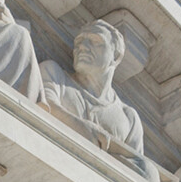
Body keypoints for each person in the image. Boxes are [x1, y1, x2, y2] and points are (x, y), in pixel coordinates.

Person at [40, 18, 144, 169]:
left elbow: (137, 170)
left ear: (115, 56)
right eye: (79, 42)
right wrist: (80, 127)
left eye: (95, 41)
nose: (82, 46)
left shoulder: (128, 117)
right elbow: (43, 105)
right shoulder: (55, 75)